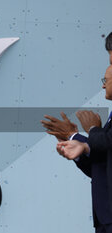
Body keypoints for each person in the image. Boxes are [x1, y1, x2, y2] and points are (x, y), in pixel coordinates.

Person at [41, 65, 112, 233]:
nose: (102, 85)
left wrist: (93, 129)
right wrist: (76, 141)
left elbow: (106, 143)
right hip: (104, 217)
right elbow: (103, 164)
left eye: (106, 80)